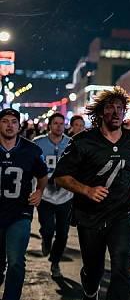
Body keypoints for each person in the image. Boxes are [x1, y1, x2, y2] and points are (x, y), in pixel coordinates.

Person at [54, 87, 130, 300]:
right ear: (99, 113)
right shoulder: (83, 141)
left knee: (121, 265)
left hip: (122, 212)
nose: (116, 112)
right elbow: (60, 176)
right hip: (90, 215)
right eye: (110, 107)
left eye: (120, 107)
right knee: (94, 267)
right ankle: (90, 286)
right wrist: (87, 190)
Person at [0, 108, 48, 300]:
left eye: (13, 122)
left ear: (19, 126)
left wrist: (39, 191)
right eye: (5, 121)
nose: (9, 125)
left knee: (16, 260)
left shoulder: (30, 150)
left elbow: (42, 174)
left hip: (20, 213)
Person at [33, 113, 73, 278]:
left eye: (61, 123)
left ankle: (55, 262)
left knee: (63, 233)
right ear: (49, 125)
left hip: (65, 195)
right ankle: (46, 239)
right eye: (55, 123)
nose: (58, 126)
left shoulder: (71, 144)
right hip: (46, 194)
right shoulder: (38, 143)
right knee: (48, 228)